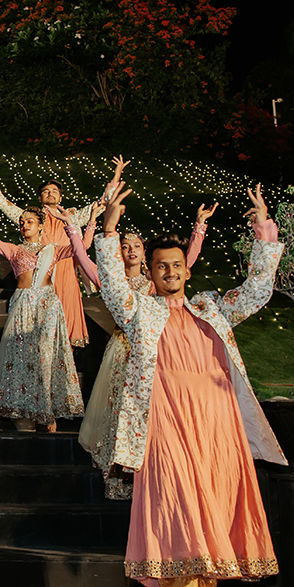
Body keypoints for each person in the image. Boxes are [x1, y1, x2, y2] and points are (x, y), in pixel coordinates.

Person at [95, 185, 286, 587]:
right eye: (161, 266)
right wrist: (110, 228)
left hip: (218, 434)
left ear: (187, 267)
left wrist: (263, 229)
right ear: (153, 274)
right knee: (182, 524)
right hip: (165, 430)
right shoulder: (141, 312)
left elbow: (259, 290)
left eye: (176, 264)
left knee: (214, 527)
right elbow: (115, 287)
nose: (170, 271)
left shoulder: (212, 309)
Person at [54, 201, 216, 495]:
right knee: (118, 408)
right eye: (125, 245)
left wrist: (199, 228)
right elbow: (81, 256)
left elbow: (185, 263)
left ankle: (154, 471)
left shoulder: (154, 280)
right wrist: (72, 229)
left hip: (153, 351)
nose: (131, 250)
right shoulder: (110, 280)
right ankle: (120, 474)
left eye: (137, 245)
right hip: (120, 351)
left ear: (145, 254)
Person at [0, 155, 129, 348]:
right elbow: (4, 205)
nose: (50, 194)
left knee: (66, 318)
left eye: (54, 191)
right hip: (40, 271)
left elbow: (101, 204)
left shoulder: (72, 216)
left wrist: (116, 177)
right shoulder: (32, 218)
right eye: (45, 191)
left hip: (66, 270)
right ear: (40, 197)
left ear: (61, 196)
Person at [0, 192, 83, 432]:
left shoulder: (53, 250)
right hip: (23, 304)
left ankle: (48, 412)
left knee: (45, 357)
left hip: (47, 305)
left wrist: (71, 225)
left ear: (41, 226)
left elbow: (80, 248)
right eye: (22, 222)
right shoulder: (14, 250)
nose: (24, 225)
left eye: (29, 221)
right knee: (20, 356)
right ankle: (24, 411)